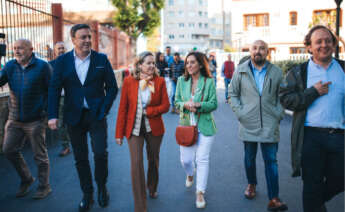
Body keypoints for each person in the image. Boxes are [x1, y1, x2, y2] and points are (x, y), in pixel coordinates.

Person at [48, 24, 118, 212]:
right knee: (80, 158)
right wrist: (52, 115)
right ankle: (87, 194)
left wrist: (104, 108)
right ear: (73, 40)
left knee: (100, 153)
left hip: (96, 116)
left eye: (89, 37)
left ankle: (102, 187)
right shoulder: (62, 62)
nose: (87, 40)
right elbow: (54, 89)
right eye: (83, 37)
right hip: (73, 116)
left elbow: (112, 87)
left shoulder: (101, 59)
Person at [279, 25, 344, 212]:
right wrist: (312, 92)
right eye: (319, 42)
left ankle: (315, 203)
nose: (324, 45)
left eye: (328, 41)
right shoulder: (299, 72)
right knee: (311, 185)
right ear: (309, 47)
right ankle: (315, 204)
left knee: (340, 179)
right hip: (310, 137)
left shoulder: (343, 68)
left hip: (340, 136)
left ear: (333, 44)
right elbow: (285, 99)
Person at [229, 40, 288, 211]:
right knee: (249, 158)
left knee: (271, 161)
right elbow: (232, 94)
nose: (258, 51)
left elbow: (283, 95)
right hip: (248, 122)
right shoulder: (240, 71)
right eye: (255, 48)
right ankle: (252, 184)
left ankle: (274, 197)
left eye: (262, 48)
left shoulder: (276, 72)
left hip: (270, 123)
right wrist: (241, 113)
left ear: (267, 52)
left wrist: (279, 113)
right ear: (250, 51)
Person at [115, 51, 170, 212]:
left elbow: (166, 106)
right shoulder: (129, 82)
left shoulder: (159, 82)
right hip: (134, 128)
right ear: (140, 65)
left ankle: (152, 186)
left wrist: (150, 111)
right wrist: (119, 133)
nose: (152, 65)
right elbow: (123, 108)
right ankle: (140, 206)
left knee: (153, 159)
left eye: (153, 63)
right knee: (136, 164)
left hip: (154, 128)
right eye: (148, 63)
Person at [0, 39, 52, 199]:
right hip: (14, 119)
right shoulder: (10, 66)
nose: (17, 51)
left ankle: (44, 186)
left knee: (39, 155)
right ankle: (27, 179)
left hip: (36, 119)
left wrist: (49, 114)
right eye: (14, 48)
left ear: (31, 49)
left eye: (20, 48)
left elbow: (52, 90)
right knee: (8, 150)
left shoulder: (43, 67)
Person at [175, 51, 217, 209]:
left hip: (205, 126)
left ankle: (200, 192)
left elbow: (213, 104)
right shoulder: (181, 80)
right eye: (187, 63)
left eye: (193, 62)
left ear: (200, 64)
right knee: (185, 160)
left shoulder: (208, 82)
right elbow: (176, 101)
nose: (189, 65)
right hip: (186, 126)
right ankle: (190, 173)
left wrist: (199, 105)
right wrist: (184, 105)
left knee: (202, 159)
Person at [49, 41, 71, 157]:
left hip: (73, 97)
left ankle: (76, 142)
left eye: (63, 48)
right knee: (61, 123)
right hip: (60, 98)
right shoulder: (50, 65)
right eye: (59, 48)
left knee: (75, 121)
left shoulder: (72, 62)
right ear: (54, 51)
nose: (61, 50)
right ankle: (66, 146)